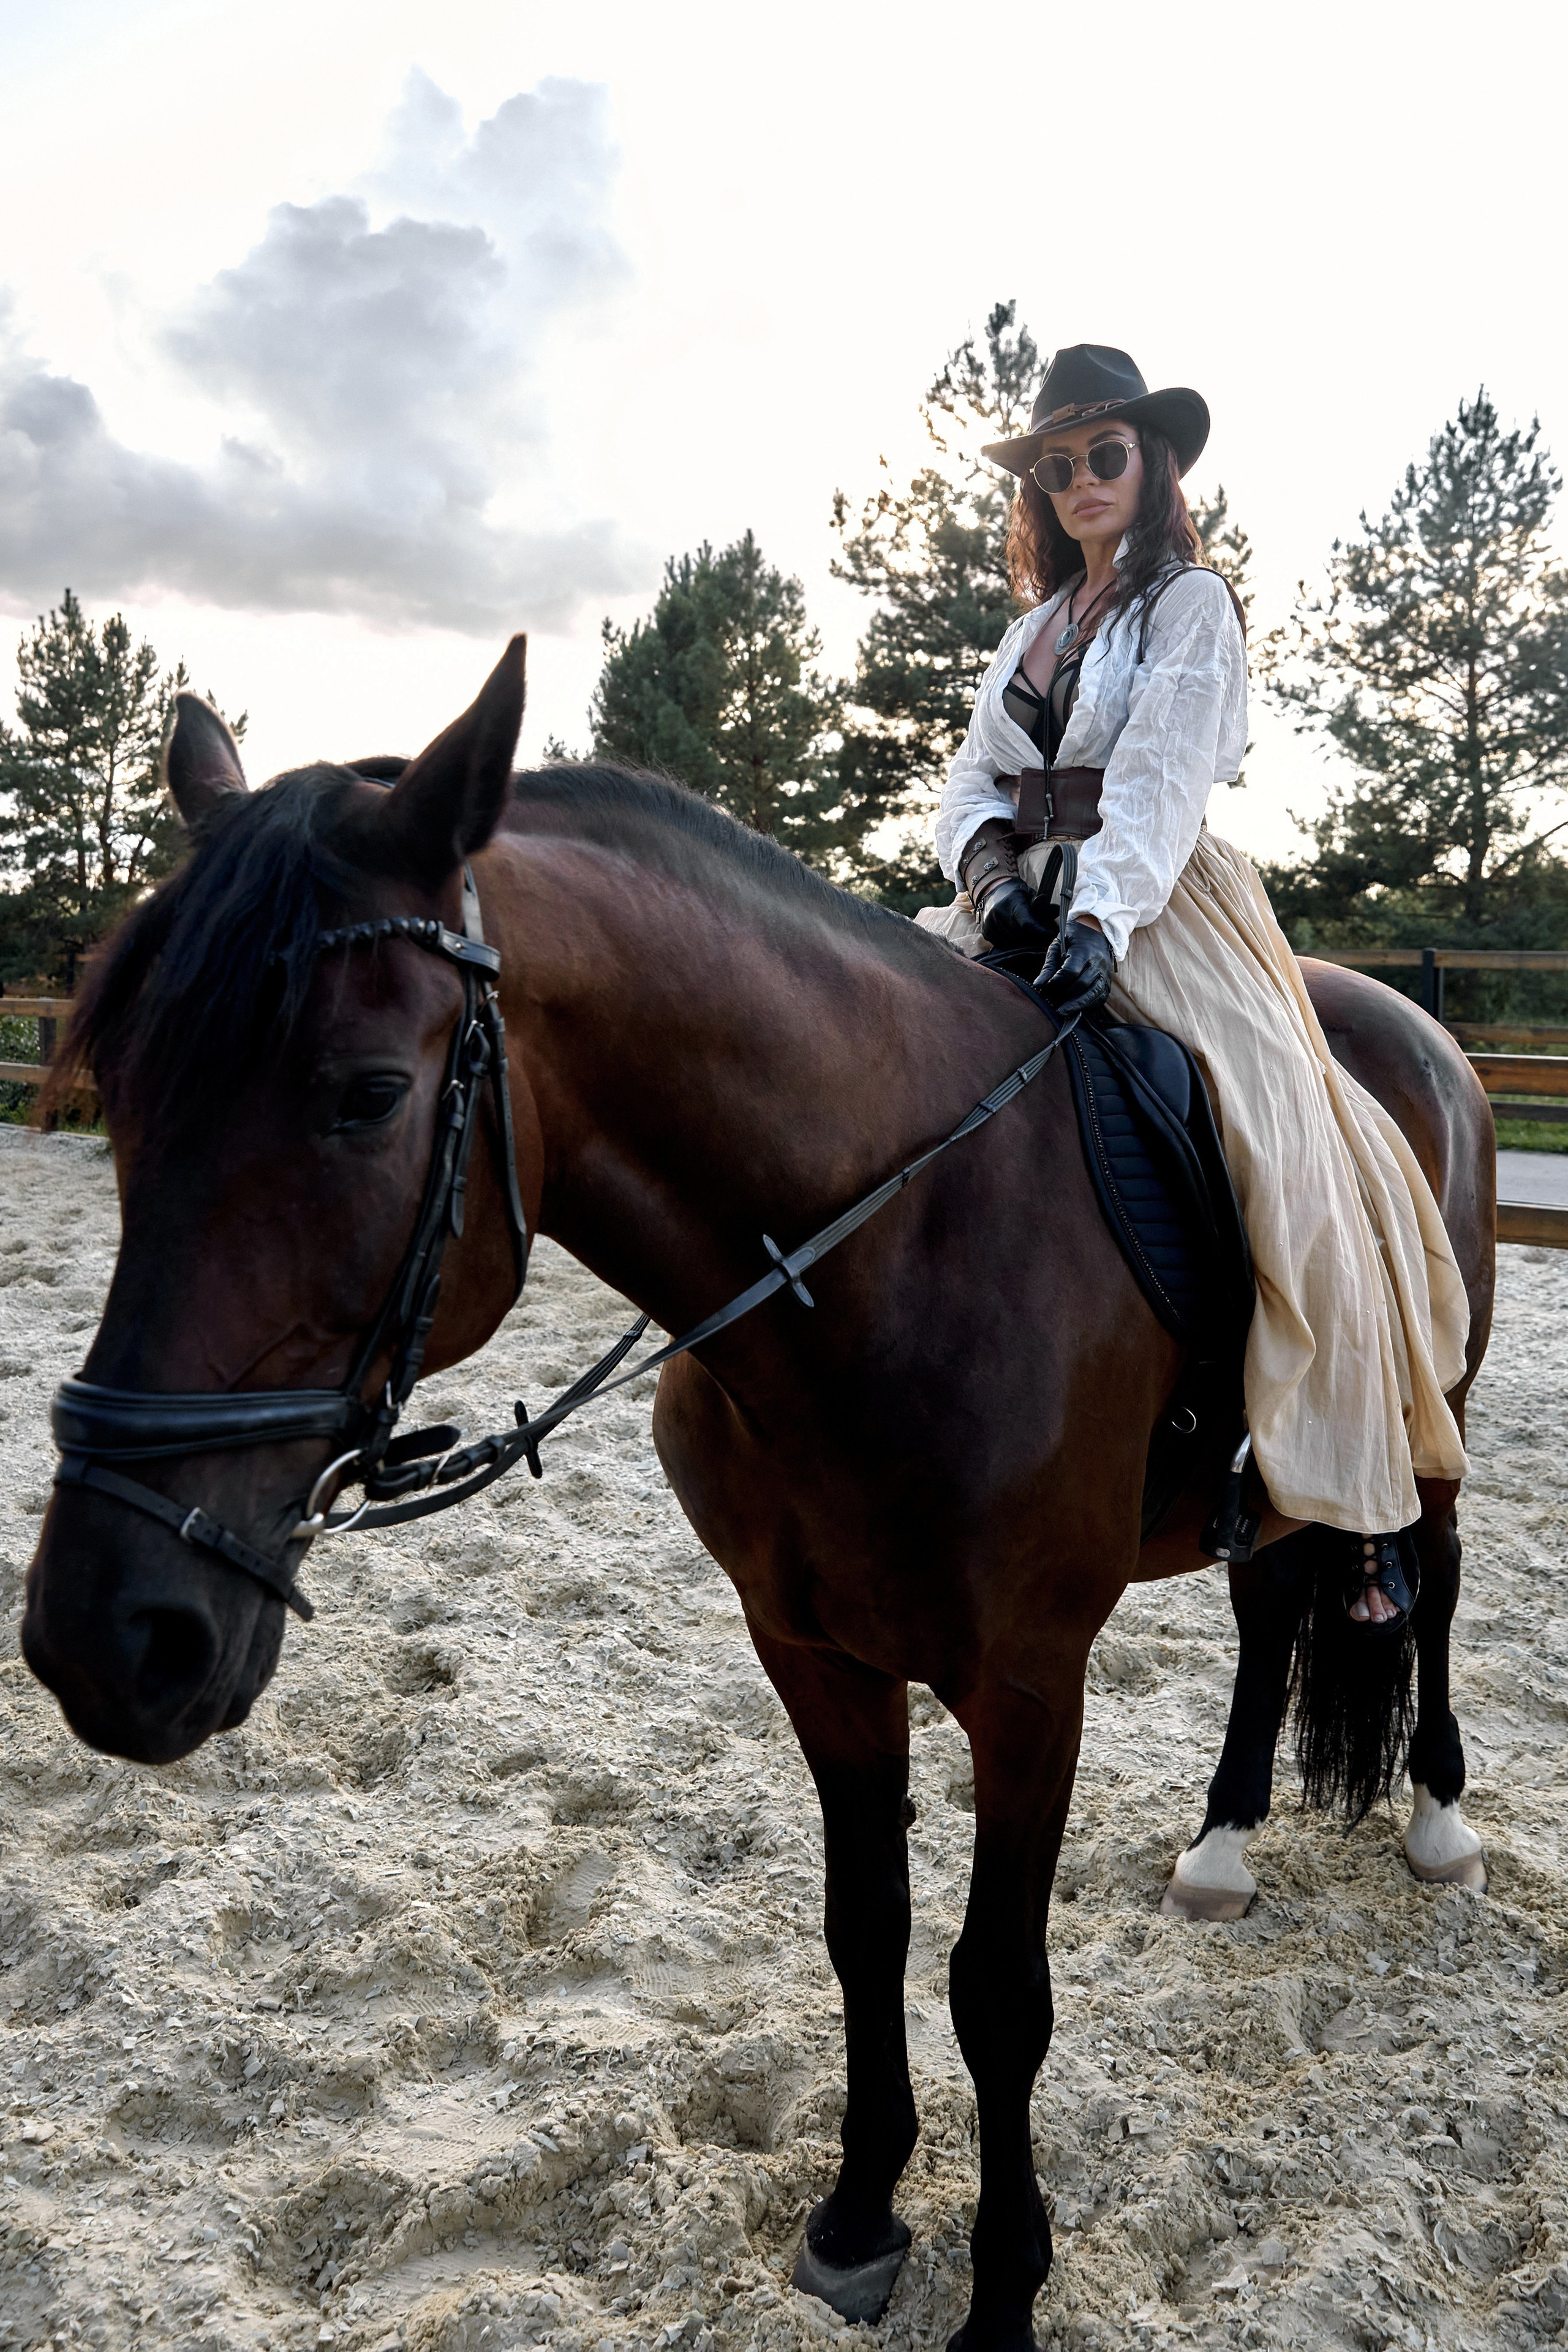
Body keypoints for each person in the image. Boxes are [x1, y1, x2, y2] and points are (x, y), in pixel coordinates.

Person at [916, 344, 1470, 1629]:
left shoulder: (1188, 605)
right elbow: (968, 784)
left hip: (1157, 900)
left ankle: (1346, 1495)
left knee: (1280, 1142)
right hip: (1012, 899)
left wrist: (1099, 919)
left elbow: (1160, 777)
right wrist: (994, 889)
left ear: (1149, 463)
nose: (1076, 482)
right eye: (1054, 467)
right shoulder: (1032, 629)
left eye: (1101, 456)